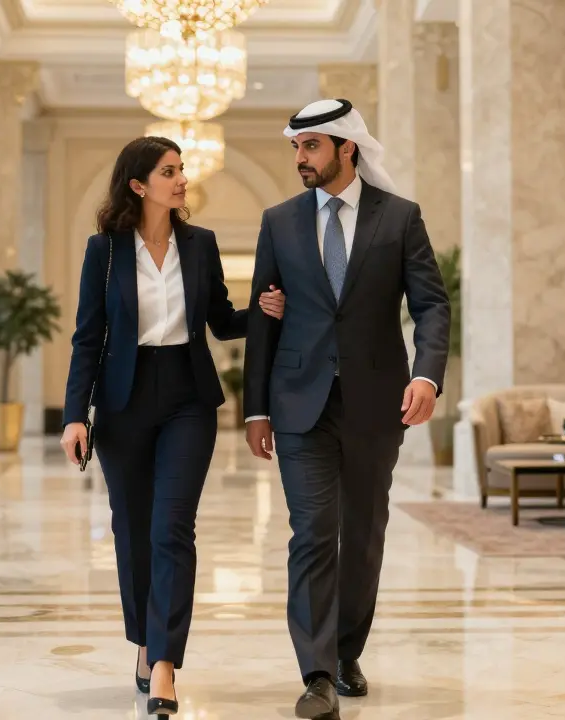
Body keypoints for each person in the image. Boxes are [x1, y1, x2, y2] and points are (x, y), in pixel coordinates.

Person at [60, 136, 287, 717]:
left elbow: (219, 319)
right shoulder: (104, 251)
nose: (182, 179)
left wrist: (261, 314)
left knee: (172, 528)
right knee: (132, 530)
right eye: (170, 171)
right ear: (139, 185)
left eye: (182, 169)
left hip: (188, 398)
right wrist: (73, 417)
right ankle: (143, 640)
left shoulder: (201, 244)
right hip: (122, 403)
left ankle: (163, 663)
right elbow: (88, 337)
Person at [242, 99, 451, 720]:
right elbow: (263, 316)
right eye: (296, 149)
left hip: (375, 404)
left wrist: (428, 377)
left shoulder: (401, 218)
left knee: (362, 534)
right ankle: (317, 674)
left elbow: (432, 306)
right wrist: (255, 408)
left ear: (346, 148)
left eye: (310, 147)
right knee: (311, 532)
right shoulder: (278, 221)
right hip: (299, 402)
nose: (300, 159)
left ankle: (347, 650)